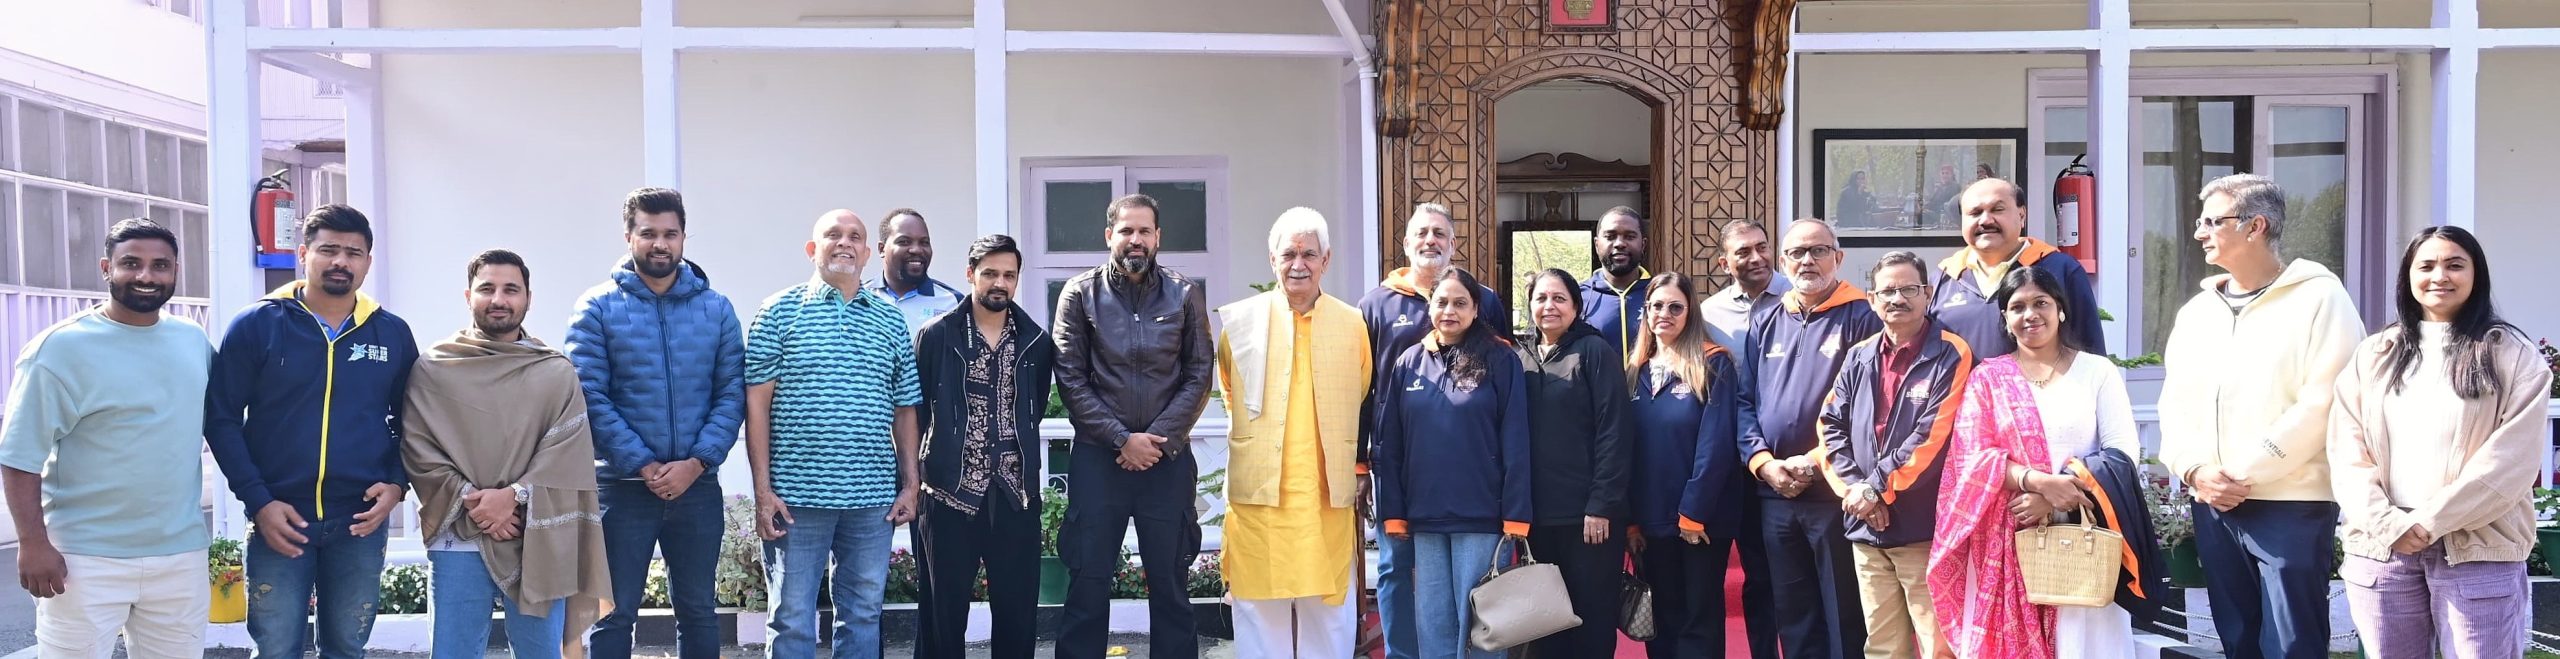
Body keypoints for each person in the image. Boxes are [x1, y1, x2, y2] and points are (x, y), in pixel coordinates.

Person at [2156, 174, 2362, 659]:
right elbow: (2174, 404)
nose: (2200, 232)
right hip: (2213, 503)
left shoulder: (2321, 299)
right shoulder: (2197, 312)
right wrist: (2195, 470)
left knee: (2292, 646)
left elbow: (2325, 401)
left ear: (2256, 226)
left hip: (2292, 503)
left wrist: (2242, 473)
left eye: (2213, 221)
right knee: (2238, 641)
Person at [204, 205, 417, 659]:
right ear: (303, 254)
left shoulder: (391, 333)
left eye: (353, 253)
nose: (341, 261)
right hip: (280, 517)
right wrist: (258, 501)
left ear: (368, 262)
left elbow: (413, 420)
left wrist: (398, 484)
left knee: (347, 648)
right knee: (277, 649)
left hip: (359, 520)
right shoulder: (259, 324)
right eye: (328, 250)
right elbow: (221, 418)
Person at [2330, 226, 2545, 659]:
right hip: (2384, 548)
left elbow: (2511, 461)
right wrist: (2390, 524)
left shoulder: (2513, 356)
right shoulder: (2375, 354)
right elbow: (2346, 450)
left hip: (2479, 547)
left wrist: (2430, 522)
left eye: (2454, 265)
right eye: (2426, 265)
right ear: (2408, 276)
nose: (2439, 276)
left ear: (2476, 274)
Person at [3, 219, 211, 658]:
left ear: (176, 271)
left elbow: (226, 424)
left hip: (179, 556)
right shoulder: (58, 350)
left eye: (160, 265)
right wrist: (33, 544)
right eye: (131, 263)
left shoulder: (192, 341)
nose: (146, 275)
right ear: (105, 268)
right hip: (83, 559)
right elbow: (19, 456)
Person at [1932, 265, 2158, 659]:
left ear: (2061, 309)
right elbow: (1971, 458)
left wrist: (2056, 497)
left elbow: (2122, 452)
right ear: (2005, 318)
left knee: (2080, 643)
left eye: (2041, 303)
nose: (2030, 315)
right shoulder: (1988, 378)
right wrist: (2036, 482)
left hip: (2081, 535)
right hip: (2009, 537)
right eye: (2017, 307)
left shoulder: (2097, 372)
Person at [402, 249, 613, 659]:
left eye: (511, 289)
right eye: (487, 288)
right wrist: (479, 504)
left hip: (536, 533)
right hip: (459, 535)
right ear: (468, 296)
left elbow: (567, 452)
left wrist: (513, 497)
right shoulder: (435, 368)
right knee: (453, 653)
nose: (499, 299)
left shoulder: (554, 371)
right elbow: (417, 447)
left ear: (528, 299)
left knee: (541, 653)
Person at [568, 187, 746, 659]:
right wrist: (644, 465)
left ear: (684, 236)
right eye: (648, 233)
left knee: (699, 611)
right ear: (628, 236)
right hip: (622, 486)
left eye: (670, 233)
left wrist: (697, 462)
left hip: (697, 486)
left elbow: (731, 393)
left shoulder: (717, 309)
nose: (660, 244)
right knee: (613, 613)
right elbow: (588, 395)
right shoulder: (597, 307)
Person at [743, 210, 923, 659]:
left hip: (872, 500)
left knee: (863, 614)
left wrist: (910, 484)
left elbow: (905, 409)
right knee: (791, 618)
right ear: (812, 249)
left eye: (854, 236)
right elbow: (756, 406)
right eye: (833, 235)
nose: (845, 243)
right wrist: (763, 492)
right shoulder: (778, 312)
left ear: (867, 253)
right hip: (795, 499)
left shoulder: (890, 320)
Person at [1053, 193, 1215, 659]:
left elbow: (1199, 374)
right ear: (1110, 236)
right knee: (1088, 582)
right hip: (1099, 461)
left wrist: (1156, 441)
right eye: (1126, 230)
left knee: (1171, 584)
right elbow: (1070, 378)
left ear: (1158, 237)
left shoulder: (1184, 294)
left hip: (1166, 462)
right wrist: (1122, 439)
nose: (1136, 239)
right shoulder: (1079, 294)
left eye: (1145, 231)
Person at [1211, 208, 1372, 656]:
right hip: (1260, 502)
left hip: (1323, 499)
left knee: (1328, 620)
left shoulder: (1351, 323)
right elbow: (1229, 390)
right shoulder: (1240, 323)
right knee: (1260, 621)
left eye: (1309, 254)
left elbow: (1360, 391)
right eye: (1288, 254)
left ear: (1326, 260)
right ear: (1272, 259)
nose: (1298, 264)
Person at [1356, 202, 1509, 659]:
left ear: (1453, 243)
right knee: (1394, 567)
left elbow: (1504, 379)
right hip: (1399, 463)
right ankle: (1403, 654)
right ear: (1405, 243)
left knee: (1468, 580)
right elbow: (1362, 390)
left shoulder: (1484, 300)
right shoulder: (1376, 304)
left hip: (1469, 472)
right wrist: (1361, 463)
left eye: (1440, 233)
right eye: (1421, 233)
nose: (1430, 241)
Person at [1817, 251, 1973, 659]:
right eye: (1887, 291)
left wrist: (1876, 489)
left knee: (1939, 644)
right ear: (1872, 299)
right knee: (1883, 646)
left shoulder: (1951, 353)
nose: (1897, 299)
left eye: (1908, 289)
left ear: (1928, 294)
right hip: (1866, 527)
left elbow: (1932, 436)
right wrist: (1857, 490)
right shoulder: (1860, 354)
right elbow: (1830, 425)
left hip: (1924, 527)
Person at [1738, 219, 1879, 659]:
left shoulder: (1863, 317)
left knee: (1843, 611)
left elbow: (1867, 412)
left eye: (1818, 250)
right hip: (1775, 494)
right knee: (1793, 613)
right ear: (1783, 262)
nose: (1807, 261)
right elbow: (1744, 402)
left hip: (1834, 494)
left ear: (1838, 257)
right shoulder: (1766, 320)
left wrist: (1815, 463)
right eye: (1797, 253)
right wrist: (1764, 463)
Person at [1374, 267, 1530, 659]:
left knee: (1481, 632)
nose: (1449, 311)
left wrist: (1516, 515)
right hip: (1425, 517)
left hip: (1481, 518)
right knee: (1435, 629)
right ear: (1430, 306)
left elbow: (1516, 439)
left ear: (1476, 309)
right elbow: (1391, 444)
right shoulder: (1408, 362)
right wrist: (1394, 513)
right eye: (1442, 302)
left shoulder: (1501, 359)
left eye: (1460, 303)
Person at [913, 234, 1053, 659]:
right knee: (941, 618)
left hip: (1015, 495)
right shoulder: (937, 336)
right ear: (970, 274)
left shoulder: (1035, 340)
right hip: (948, 492)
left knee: (1017, 615)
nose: (1000, 283)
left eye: (1009, 275)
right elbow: (916, 412)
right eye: (990, 273)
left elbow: (1034, 407)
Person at [1622, 271, 1748, 659]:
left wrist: (1694, 513)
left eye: (1675, 307)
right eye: (1656, 306)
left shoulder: (1713, 363)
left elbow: (1716, 446)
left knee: (1698, 622)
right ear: (1646, 312)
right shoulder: (1634, 370)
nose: (1665, 314)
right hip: (1651, 520)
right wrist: (1631, 520)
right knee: (1662, 619)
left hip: (1700, 520)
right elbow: (1626, 451)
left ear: (1690, 312)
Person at [1517, 269, 1629, 657]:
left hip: (1588, 519)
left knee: (1590, 619)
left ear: (1576, 307)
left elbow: (1614, 431)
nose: (1549, 306)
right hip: (1537, 517)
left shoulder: (1595, 352)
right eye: (1541, 298)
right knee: (1544, 625)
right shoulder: (1520, 357)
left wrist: (1602, 505)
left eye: (1559, 298)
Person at [1694, 219, 1785, 659]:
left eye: (1761, 247)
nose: (1756, 257)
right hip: (1732, 460)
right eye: (1743, 251)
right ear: (1723, 263)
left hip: (1789, 456)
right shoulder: (1708, 314)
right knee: (1752, 572)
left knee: (1787, 573)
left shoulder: (1798, 299)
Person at [1930, 178, 2103, 359]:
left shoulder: (2060, 270)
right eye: (1975, 212)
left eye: (1997, 209)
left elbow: (2091, 355)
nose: (1986, 220)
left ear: (2021, 215)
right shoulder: (1943, 279)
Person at [869, 208, 965, 334]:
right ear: (882, 249)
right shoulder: (859, 297)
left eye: (924, 242)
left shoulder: (954, 303)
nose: (917, 250)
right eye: (904, 242)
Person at [1580, 206, 1652, 356]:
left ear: (1643, 244)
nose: (1620, 243)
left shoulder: (1660, 294)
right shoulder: (1578, 297)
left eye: (1630, 237)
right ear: (1596, 244)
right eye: (1610, 236)